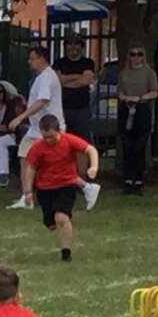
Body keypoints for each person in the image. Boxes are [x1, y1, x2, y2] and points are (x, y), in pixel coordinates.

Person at [23, 114, 99, 263]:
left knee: (61, 217)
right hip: (45, 188)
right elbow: (30, 168)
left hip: (66, 186)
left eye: (52, 137)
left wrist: (93, 167)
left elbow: (90, 149)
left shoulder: (69, 140)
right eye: (45, 137)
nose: (48, 140)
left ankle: (66, 253)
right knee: (51, 224)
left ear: (59, 131)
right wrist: (27, 191)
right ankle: (54, 223)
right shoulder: (38, 147)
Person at [7, 46, 68, 210]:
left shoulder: (47, 77)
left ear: (42, 59)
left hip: (49, 129)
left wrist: (20, 117)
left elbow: (42, 101)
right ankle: (26, 197)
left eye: (32, 58)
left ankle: (83, 187)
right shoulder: (42, 77)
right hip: (36, 129)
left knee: (53, 165)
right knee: (24, 157)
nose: (29, 62)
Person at [54, 31, 102, 207]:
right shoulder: (59, 62)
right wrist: (77, 76)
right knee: (63, 145)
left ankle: (81, 178)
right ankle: (65, 178)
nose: (73, 47)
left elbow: (86, 81)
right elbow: (58, 81)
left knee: (81, 145)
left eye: (76, 44)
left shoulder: (87, 62)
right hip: (63, 109)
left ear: (81, 46)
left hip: (81, 109)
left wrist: (68, 81)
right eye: (69, 44)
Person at [117, 44, 158, 195]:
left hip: (141, 110)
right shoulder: (124, 73)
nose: (135, 57)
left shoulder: (149, 73)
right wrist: (126, 98)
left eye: (139, 54)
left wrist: (140, 98)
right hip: (126, 109)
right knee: (127, 146)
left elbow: (154, 92)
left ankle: (139, 180)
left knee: (139, 147)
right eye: (132, 54)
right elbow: (120, 92)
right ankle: (128, 180)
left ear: (143, 56)